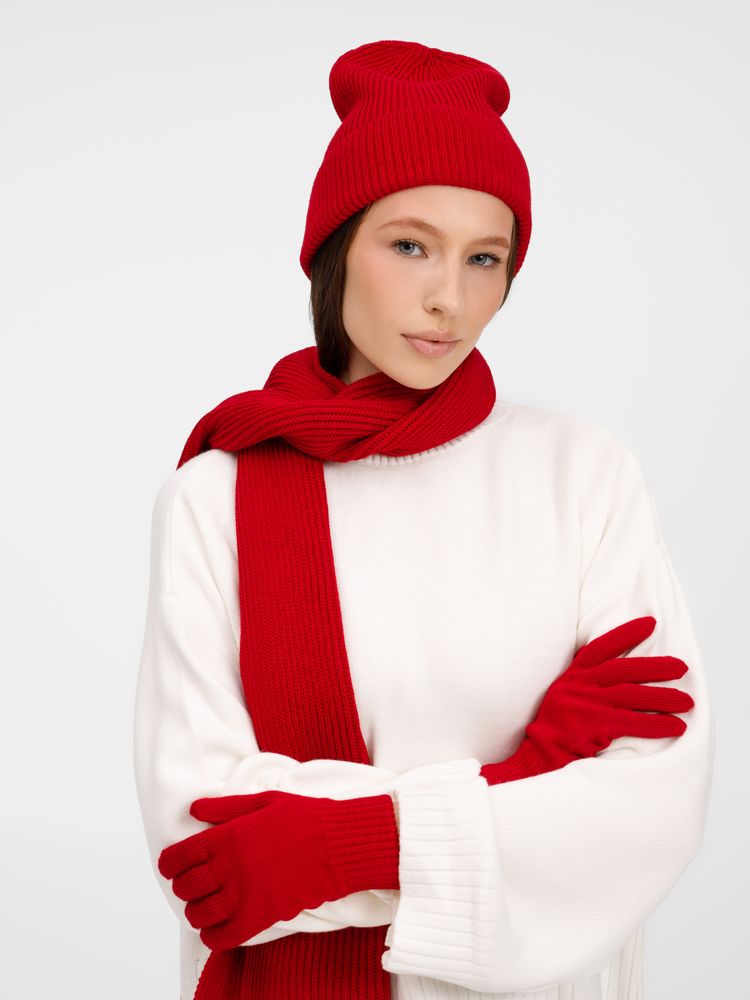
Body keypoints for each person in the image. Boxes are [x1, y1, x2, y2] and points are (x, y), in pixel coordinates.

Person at [133, 39, 714, 1000]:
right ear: (335, 249)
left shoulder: (583, 475)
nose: (450, 298)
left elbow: (651, 809)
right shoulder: (220, 493)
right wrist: (527, 779)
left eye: (486, 259)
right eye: (410, 245)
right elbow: (206, 844)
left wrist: (350, 844)